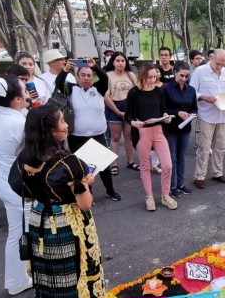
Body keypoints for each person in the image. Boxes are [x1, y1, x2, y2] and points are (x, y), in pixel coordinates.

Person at [9, 106, 104, 298]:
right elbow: (85, 204)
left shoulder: (22, 159)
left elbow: (25, 192)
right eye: (62, 121)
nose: (66, 124)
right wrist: (86, 182)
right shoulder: (69, 162)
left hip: (38, 217)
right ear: (50, 131)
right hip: (64, 221)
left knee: (46, 273)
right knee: (67, 275)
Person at [0, 76, 33, 295]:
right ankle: (24, 277)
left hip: (5, 181)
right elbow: (34, 156)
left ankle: (17, 279)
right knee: (31, 232)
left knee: (16, 234)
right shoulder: (21, 123)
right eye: (25, 89)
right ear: (17, 99)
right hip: (24, 185)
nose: (28, 91)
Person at [55, 58, 121, 201]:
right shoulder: (71, 89)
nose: (86, 78)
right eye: (83, 75)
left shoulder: (98, 89)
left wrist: (95, 66)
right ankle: (87, 194)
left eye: (89, 75)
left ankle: (110, 190)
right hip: (77, 137)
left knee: (103, 166)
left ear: (93, 77)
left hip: (98, 135)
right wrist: (65, 69)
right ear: (77, 77)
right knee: (81, 168)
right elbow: (59, 83)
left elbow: (104, 77)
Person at [126, 63, 176, 210]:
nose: (153, 80)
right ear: (142, 76)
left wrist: (166, 117)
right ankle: (149, 196)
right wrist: (133, 123)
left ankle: (165, 195)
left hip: (159, 131)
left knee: (167, 165)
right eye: (150, 77)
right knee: (145, 166)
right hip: (142, 133)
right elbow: (127, 115)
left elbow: (163, 110)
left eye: (155, 76)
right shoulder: (134, 92)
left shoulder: (159, 92)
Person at [190, 49, 225, 188]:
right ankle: (199, 176)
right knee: (204, 147)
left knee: (221, 147)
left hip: (222, 115)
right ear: (211, 58)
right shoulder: (200, 71)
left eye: (222, 64)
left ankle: (218, 173)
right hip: (206, 115)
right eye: (218, 63)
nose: (219, 67)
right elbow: (191, 92)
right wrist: (203, 97)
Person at [163, 61, 198, 198]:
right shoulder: (166, 89)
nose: (184, 79)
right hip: (171, 127)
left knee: (182, 157)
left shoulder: (191, 90)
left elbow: (194, 107)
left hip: (185, 128)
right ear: (174, 73)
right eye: (181, 75)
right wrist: (177, 113)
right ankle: (172, 186)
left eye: (186, 76)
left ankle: (181, 184)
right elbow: (163, 108)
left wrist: (192, 114)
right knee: (172, 157)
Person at [103, 52, 139, 174]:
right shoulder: (107, 75)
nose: (120, 63)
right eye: (117, 60)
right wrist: (118, 112)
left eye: (123, 61)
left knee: (129, 136)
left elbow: (138, 90)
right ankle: (114, 164)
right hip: (114, 107)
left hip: (129, 108)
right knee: (115, 137)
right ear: (113, 62)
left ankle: (130, 162)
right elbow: (106, 96)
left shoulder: (130, 74)